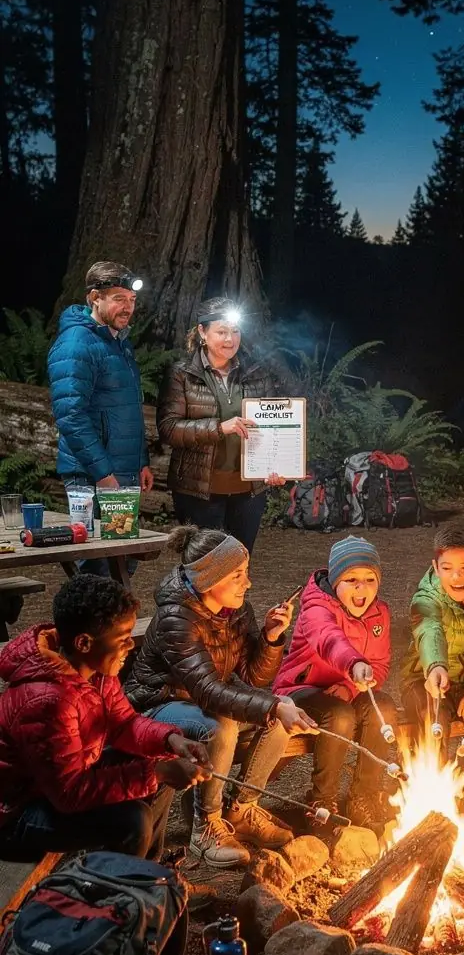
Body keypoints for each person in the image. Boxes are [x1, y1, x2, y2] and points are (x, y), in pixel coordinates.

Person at [126, 525, 317, 869]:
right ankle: (206, 826)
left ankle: (242, 810)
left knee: (274, 721)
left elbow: (252, 678)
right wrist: (273, 704)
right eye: (239, 575)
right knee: (222, 725)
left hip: (201, 701)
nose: (249, 583)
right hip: (156, 705)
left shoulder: (235, 609)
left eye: (247, 573)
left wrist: (272, 637)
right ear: (210, 580)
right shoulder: (176, 618)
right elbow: (208, 691)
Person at [0, 575, 209, 861]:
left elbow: (124, 724)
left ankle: (150, 876)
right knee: (131, 821)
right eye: (123, 638)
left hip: (55, 785)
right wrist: (156, 774)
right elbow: (69, 793)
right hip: (16, 813)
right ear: (84, 642)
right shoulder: (48, 700)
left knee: (160, 762)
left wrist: (171, 741)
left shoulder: (94, 671)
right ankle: (118, 896)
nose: (130, 646)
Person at [274, 536, 395, 833]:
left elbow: (379, 665)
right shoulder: (317, 608)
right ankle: (322, 803)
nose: (361, 587)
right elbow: (329, 639)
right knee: (340, 716)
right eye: (351, 579)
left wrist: (350, 686)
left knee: (386, 710)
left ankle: (364, 796)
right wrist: (353, 665)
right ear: (334, 579)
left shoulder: (380, 614)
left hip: (345, 688)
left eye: (369, 579)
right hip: (300, 689)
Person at [157, 296, 289, 555]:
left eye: (235, 331)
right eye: (222, 332)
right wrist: (219, 427)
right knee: (204, 566)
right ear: (202, 332)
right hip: (198, 491)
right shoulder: (181, 374)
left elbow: (275, 427)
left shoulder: (257, 374)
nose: (230, 339)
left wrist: (277, 467)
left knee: (239, 563)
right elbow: (169, 429)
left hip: (249, 492)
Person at [48, 260, 152, 573]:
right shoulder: (77, 343)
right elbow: (70, 415)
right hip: (93, 479)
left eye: (132, 301)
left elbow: (127, 408)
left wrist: (141, 460)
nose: (128, 308)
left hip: (121, 474)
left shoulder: (118, 342)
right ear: (95, 297)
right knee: (96, 567)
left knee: (120, 564)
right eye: (119, 299)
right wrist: (104, 474)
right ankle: (80, 625)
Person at [402, 523, 464, 813]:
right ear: (435, 566)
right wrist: (435, 666)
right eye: (446, 568)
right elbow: (429, 630)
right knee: (434, 719)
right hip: (423, 681)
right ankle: (432, 798)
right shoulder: (426, 598)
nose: (456, 577)